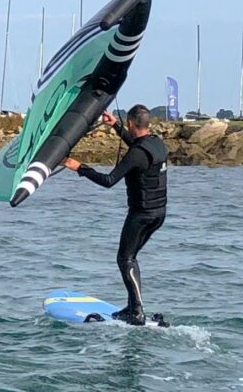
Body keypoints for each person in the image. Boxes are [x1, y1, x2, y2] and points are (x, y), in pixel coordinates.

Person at [63, 104, 168, 326]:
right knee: (131, 258)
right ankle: (133, 306)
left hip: (141, 214)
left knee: (125, 258)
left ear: (131, 123)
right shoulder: (157, 144)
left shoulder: (137, 153)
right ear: (146, 124)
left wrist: (79, 167)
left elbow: (109, 181)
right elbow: (138, 149)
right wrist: (116, 127)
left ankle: (137, 311)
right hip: (159, 214)